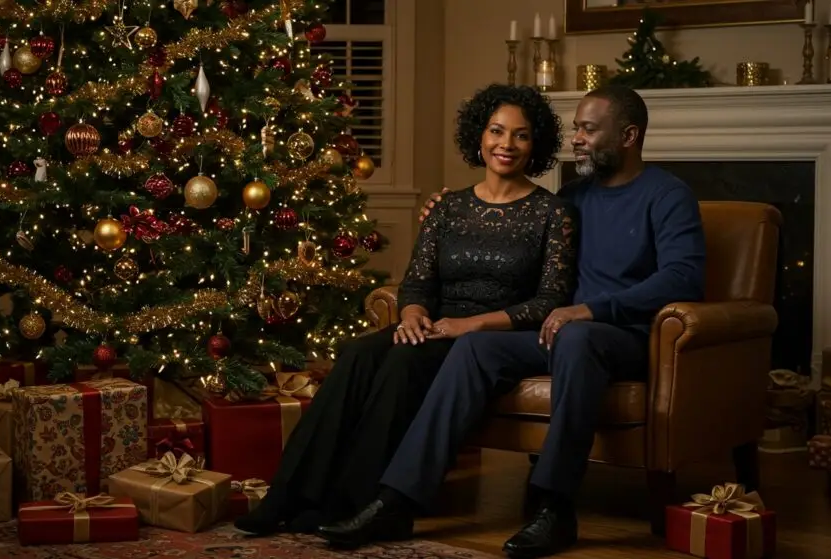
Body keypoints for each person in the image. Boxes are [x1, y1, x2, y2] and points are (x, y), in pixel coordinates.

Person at [316, 85, 707, 558]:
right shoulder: (573, 199)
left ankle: (554, 505)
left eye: (588, 129)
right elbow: (527, 246)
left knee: (577, 338)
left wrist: (590, 310)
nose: (577, 139)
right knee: (475, 346)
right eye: (576, 128)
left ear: (628, 135)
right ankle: (399, 498)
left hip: (627, 337)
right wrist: (447, 213)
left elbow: (684, 278)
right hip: (560, 331)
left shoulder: (667, 195)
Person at [233, 84, 578, 537]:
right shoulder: (448, 206)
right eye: (497, 131)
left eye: (521, 135)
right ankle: (286, 497)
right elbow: (417, 281)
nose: (506, 145)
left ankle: (358, 504)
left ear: (537, 145)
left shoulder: (553, 213)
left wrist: (467, 325)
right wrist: (413, 314)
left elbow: (549, 301)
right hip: (436, 323)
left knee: (403, 360)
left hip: (492, 336)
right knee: (359, 353)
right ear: (479, 136)